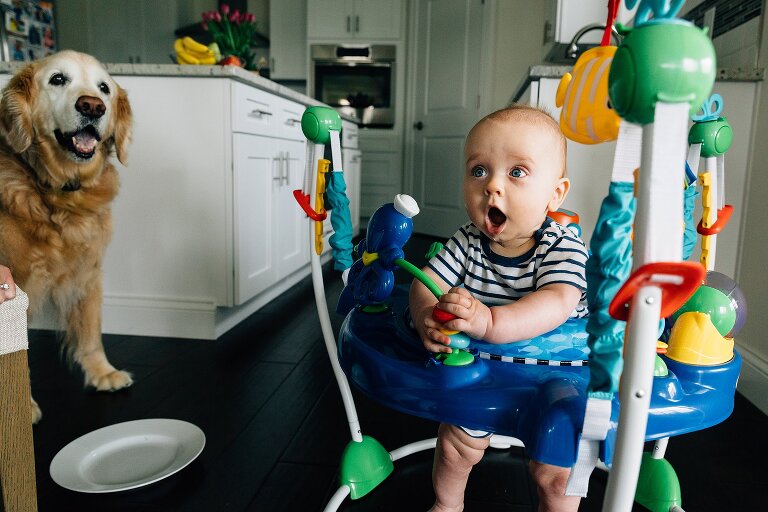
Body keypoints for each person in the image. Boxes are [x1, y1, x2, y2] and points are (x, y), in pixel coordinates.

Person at [409, 104, 588, 512]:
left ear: (555, 194)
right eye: (479, 170)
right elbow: (426, 282)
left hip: (556, 375)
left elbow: (558, 301)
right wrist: (425, 317)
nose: (492, 186)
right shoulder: (467, 241)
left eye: (517, 172)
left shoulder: (560, 245)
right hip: (485, 370)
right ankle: (447, 505)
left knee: (556, 475)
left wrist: (490, 321)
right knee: (456, 448)